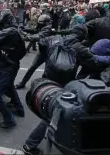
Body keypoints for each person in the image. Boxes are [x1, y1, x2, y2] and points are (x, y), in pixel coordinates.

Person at [22, 24, 107, 155]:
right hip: (63, 85)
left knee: (51, 112)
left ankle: (36, 141)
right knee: (53, 115)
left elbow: (42, 43)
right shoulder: (79, 48)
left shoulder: (54, 39)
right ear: (83, 36)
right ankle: (30, 144)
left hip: (47, 80)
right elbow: (94, 63)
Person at [15, 14, 53, 89]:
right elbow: (35, 31)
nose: (39, 24)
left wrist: (26, 38)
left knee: (47, 72)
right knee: (32, 68)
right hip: (42, 52)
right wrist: (24, 29)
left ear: (45, 23)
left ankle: (45, 87)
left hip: (49, 53)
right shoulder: (42, 27)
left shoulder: (48, 29)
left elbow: (39, 36)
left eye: (41, 22)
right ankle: (22, 83)